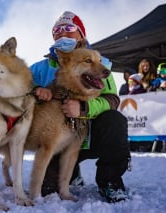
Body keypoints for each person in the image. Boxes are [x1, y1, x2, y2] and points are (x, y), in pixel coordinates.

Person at [30, 11, 131, 203]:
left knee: (115, 121)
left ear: (81, 35)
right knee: (48, 191)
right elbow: (20, 85)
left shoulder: (101, 64)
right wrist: (37, 89)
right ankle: (72, 171)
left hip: (92, 136)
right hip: (57, 141)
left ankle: (110, 182)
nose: (62, 34)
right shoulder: (40, 67)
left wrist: (84, 107)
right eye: (57, 31)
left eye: (69, 29)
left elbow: (112, 100)